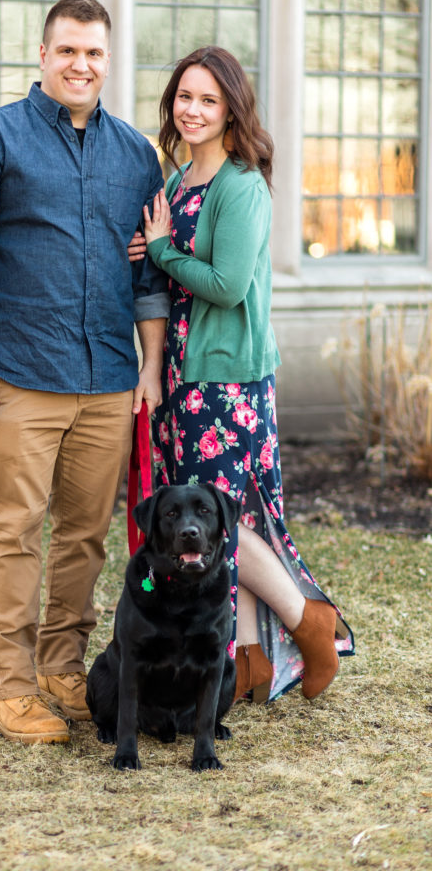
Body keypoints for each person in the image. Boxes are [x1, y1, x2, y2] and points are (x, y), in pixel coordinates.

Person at [0, 0, 169, 744]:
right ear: (42, 55)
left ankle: (63, 669)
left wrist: (151, 367)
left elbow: (147, 280)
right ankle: (8, 687)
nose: (81, 65)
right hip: (22, 375)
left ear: (107, 60)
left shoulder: (136, 155)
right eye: (68, 51)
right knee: (15, 532)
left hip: (106, 378)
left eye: (94, 54)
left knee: (85, 537)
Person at [137, 45, 354, 703]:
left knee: (231, 522)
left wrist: (163, 250)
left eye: (208, 99)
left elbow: (227, 286)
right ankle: (249, 663)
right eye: (185, 97)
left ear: (231, 107)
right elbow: (164, 264)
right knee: (222, 516)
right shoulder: (178, 185)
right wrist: (152, 250)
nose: (194, 110)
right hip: (183, 374)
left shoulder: (242, 184)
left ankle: (310, 622)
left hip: (228, 381)